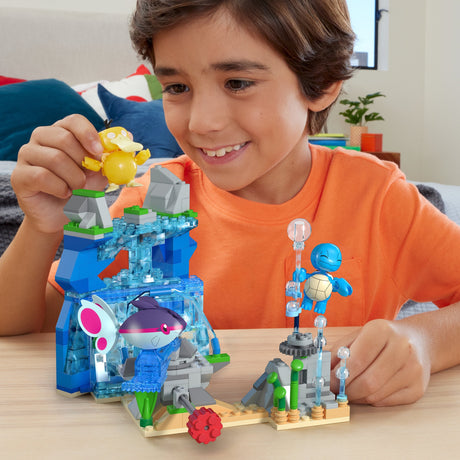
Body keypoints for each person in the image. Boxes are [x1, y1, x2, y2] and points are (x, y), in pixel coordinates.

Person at [1, 0, 460, 408]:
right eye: (176, 87)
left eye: (237, 82)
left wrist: (424, 340)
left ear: (320, 83)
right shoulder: (155, 199)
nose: (202, 123)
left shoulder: (376, 197)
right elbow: (28, 324)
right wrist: (41, 228)